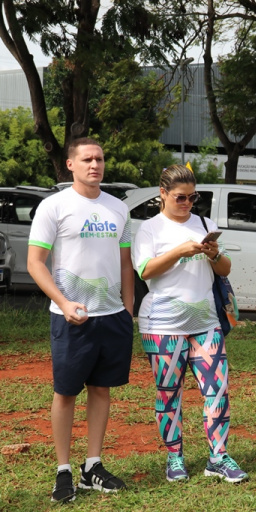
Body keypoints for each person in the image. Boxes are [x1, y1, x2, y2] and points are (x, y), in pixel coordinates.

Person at [28, 138, 134, 503]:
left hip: (112, 317)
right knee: (66, 393)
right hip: (71, 318)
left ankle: (92, 466)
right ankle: (64, 470)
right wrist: (63, 302)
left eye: (99, 159)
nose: (95, 165)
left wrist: (128, 310)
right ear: (70, 164)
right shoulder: (54, 206)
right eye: (87, 159)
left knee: (101, 389)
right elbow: (35, 263)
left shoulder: (119, 208)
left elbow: (125, 264)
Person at [132, 165, 247, 482]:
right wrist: (180, 251)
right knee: (168, 393)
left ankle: (218, 457)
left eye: (193, 197)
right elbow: (145, 270)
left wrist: (214, 254)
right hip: (162, 326)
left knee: (217, 391)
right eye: (180, 197)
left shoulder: (205, 223)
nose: (187, 203)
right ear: (163, 194)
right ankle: (175, 457)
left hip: (206, 322)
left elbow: (224, 269)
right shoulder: (149, 229)